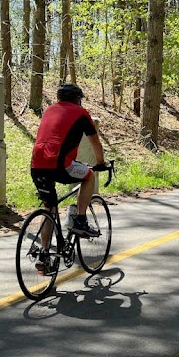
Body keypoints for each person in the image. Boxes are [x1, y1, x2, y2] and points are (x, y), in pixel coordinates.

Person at [30, 83, 107, 271]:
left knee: (50, 208)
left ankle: (44, 254)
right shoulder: (81, 113)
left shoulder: (49, 110)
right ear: (78, 99)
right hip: (59, 164)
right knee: (89, 176)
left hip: (37, 164)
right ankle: (80, 219)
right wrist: (101, 163)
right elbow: (95, 143)